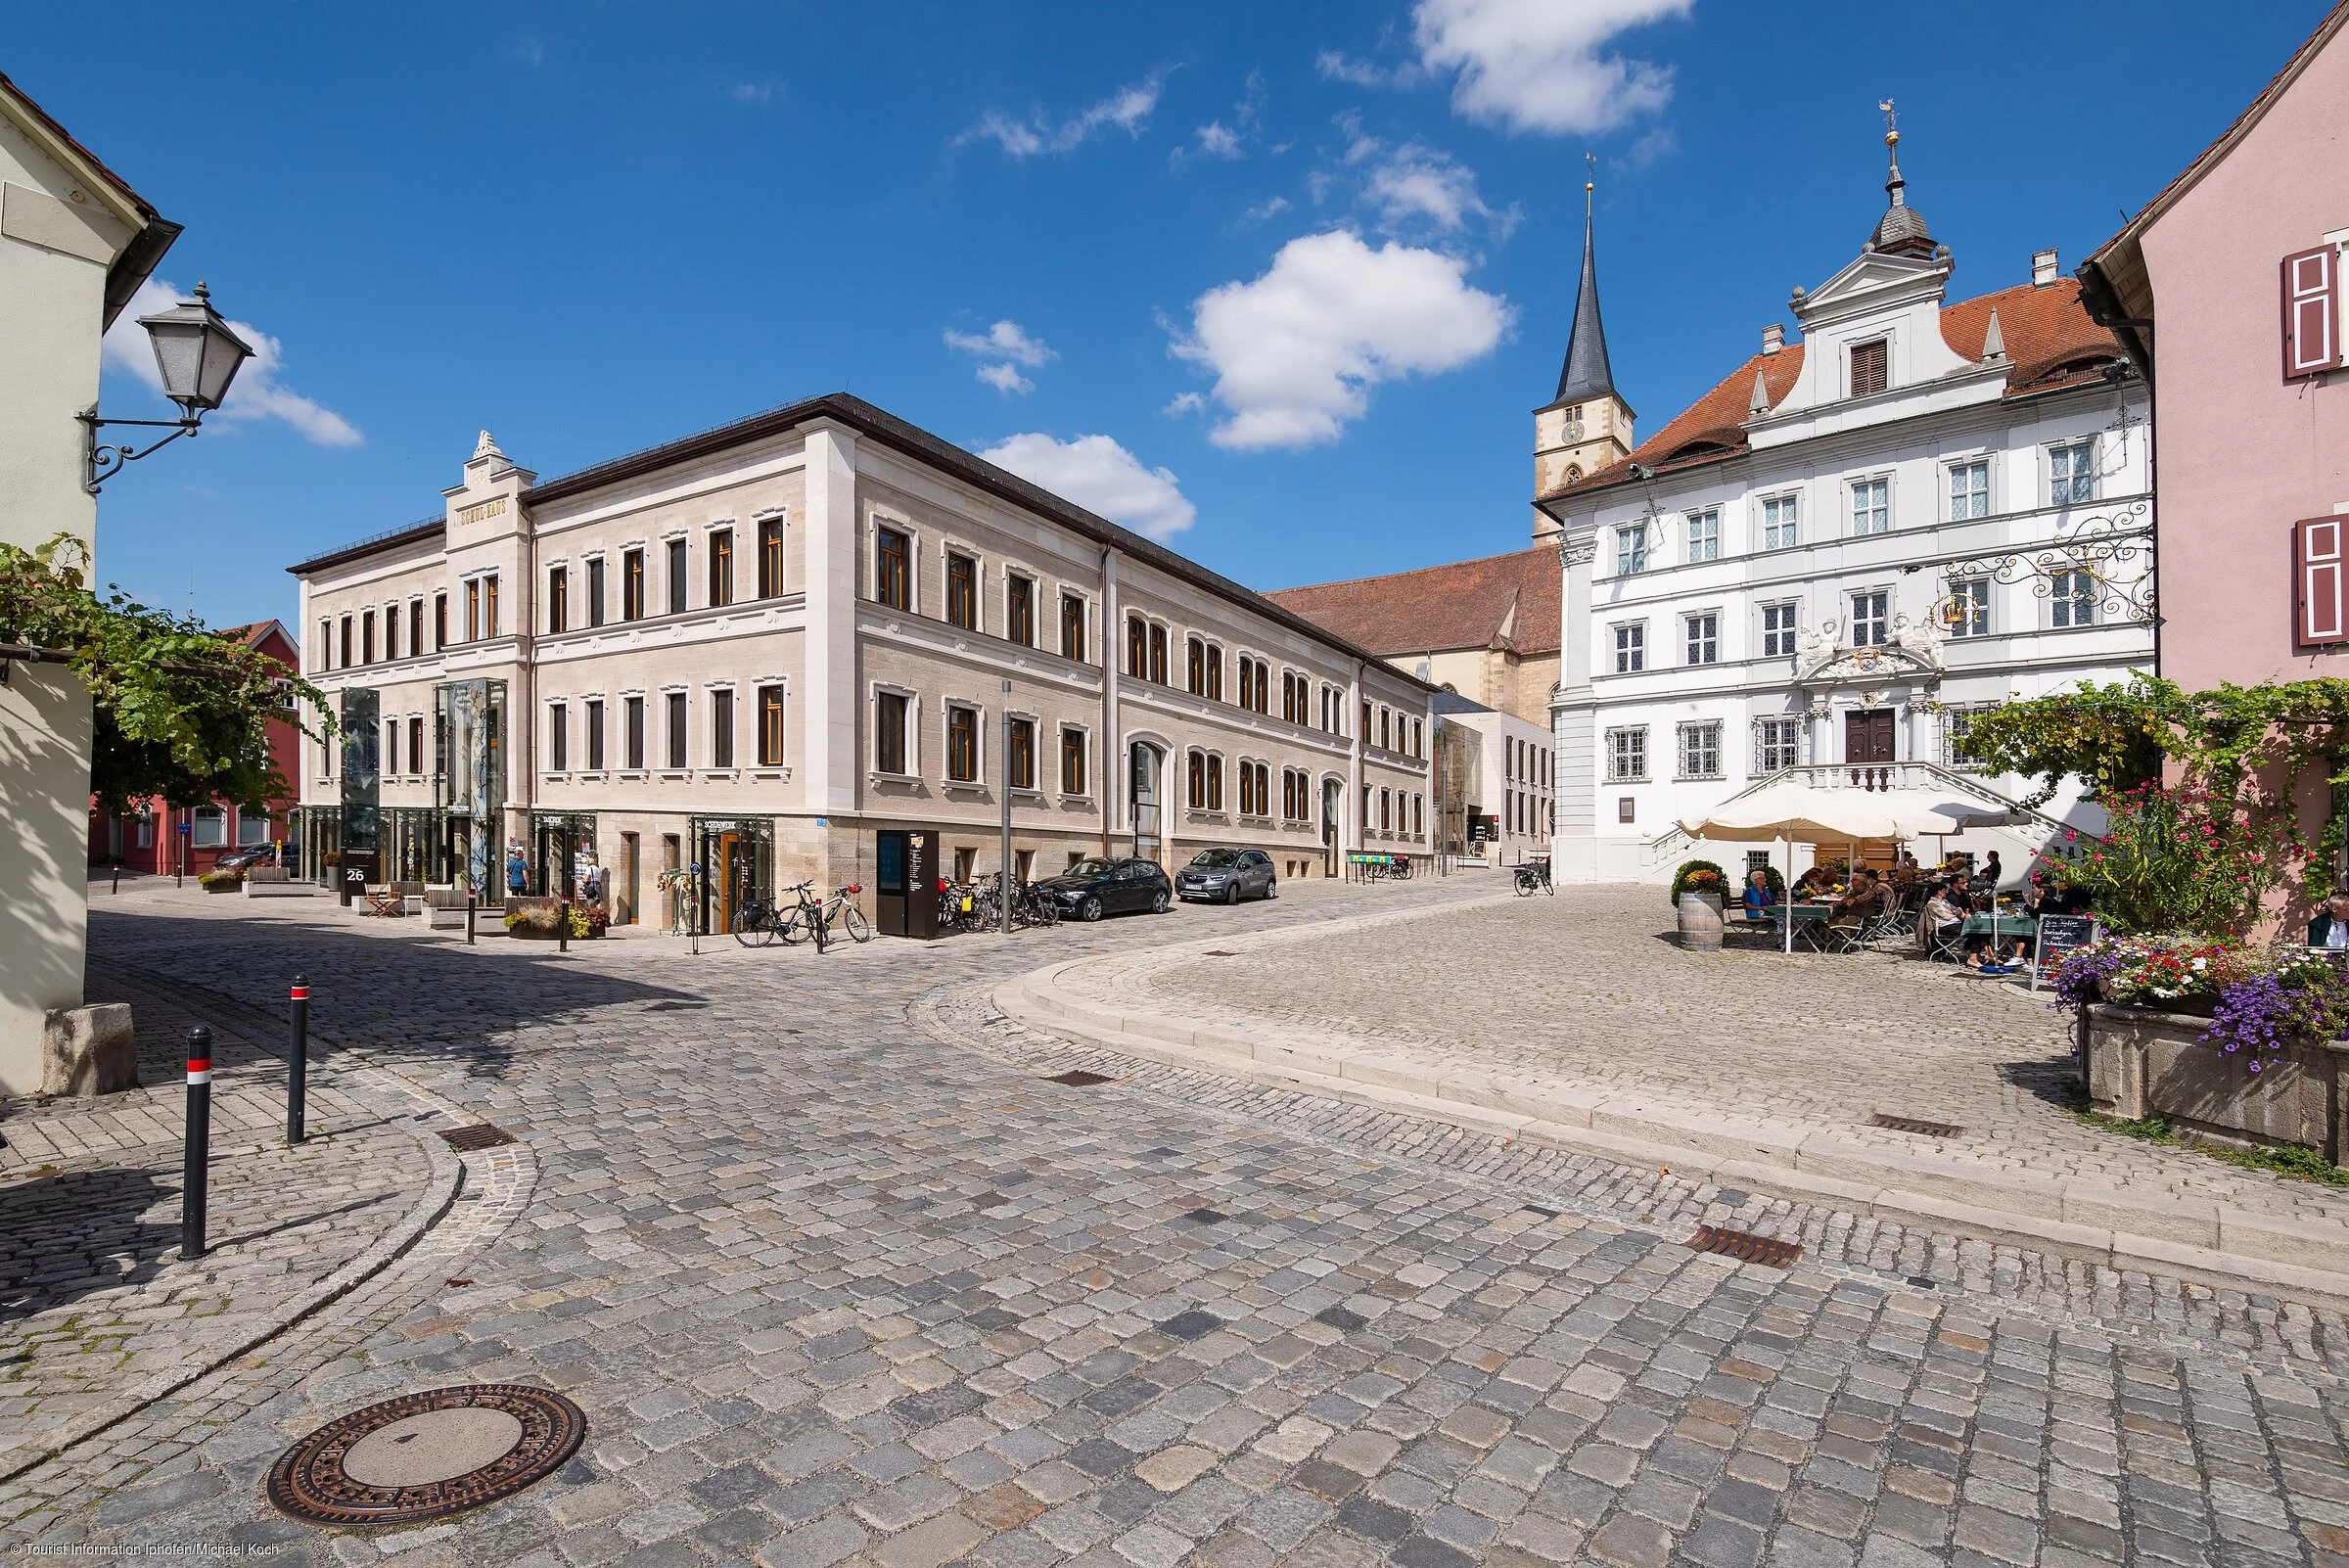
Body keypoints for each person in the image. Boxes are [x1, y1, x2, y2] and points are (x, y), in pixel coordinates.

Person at [1920, 879, 1967, 955]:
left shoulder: (1945, 902)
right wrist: (1955, 913)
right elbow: (1945, 916)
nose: (1947, 892)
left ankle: (1975, 953)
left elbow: (1959, 910)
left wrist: (1953, 912)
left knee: (1977, 931)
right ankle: (1973, 954)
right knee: (1972, 932)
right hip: (1946, 926)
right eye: (1945, 890)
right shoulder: (1932, 903)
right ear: (1939, 892)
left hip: (1956, 924)